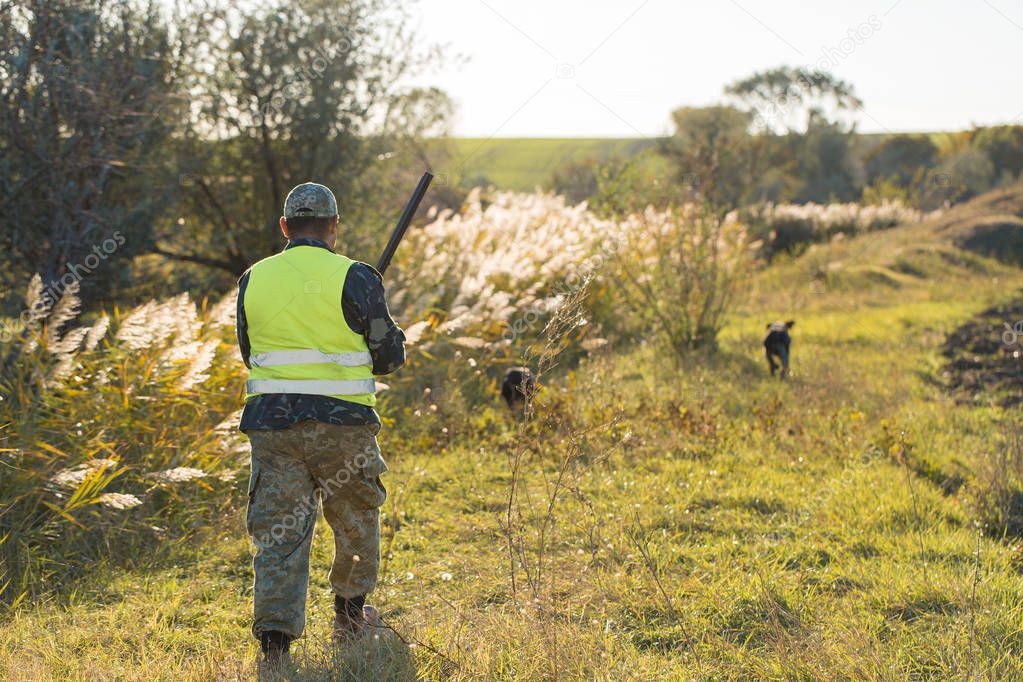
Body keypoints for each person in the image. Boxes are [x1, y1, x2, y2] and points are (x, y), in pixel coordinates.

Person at [235, 182, 405, 671]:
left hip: (273, 427)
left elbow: (250, 353)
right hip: (343, 426)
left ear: (285, 227)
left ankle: (274, 646)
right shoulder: (357, 276)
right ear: (333, 226)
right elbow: (387, 358)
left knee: (278, 532)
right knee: (354, 521)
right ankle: (350, 621)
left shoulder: (254, 278)